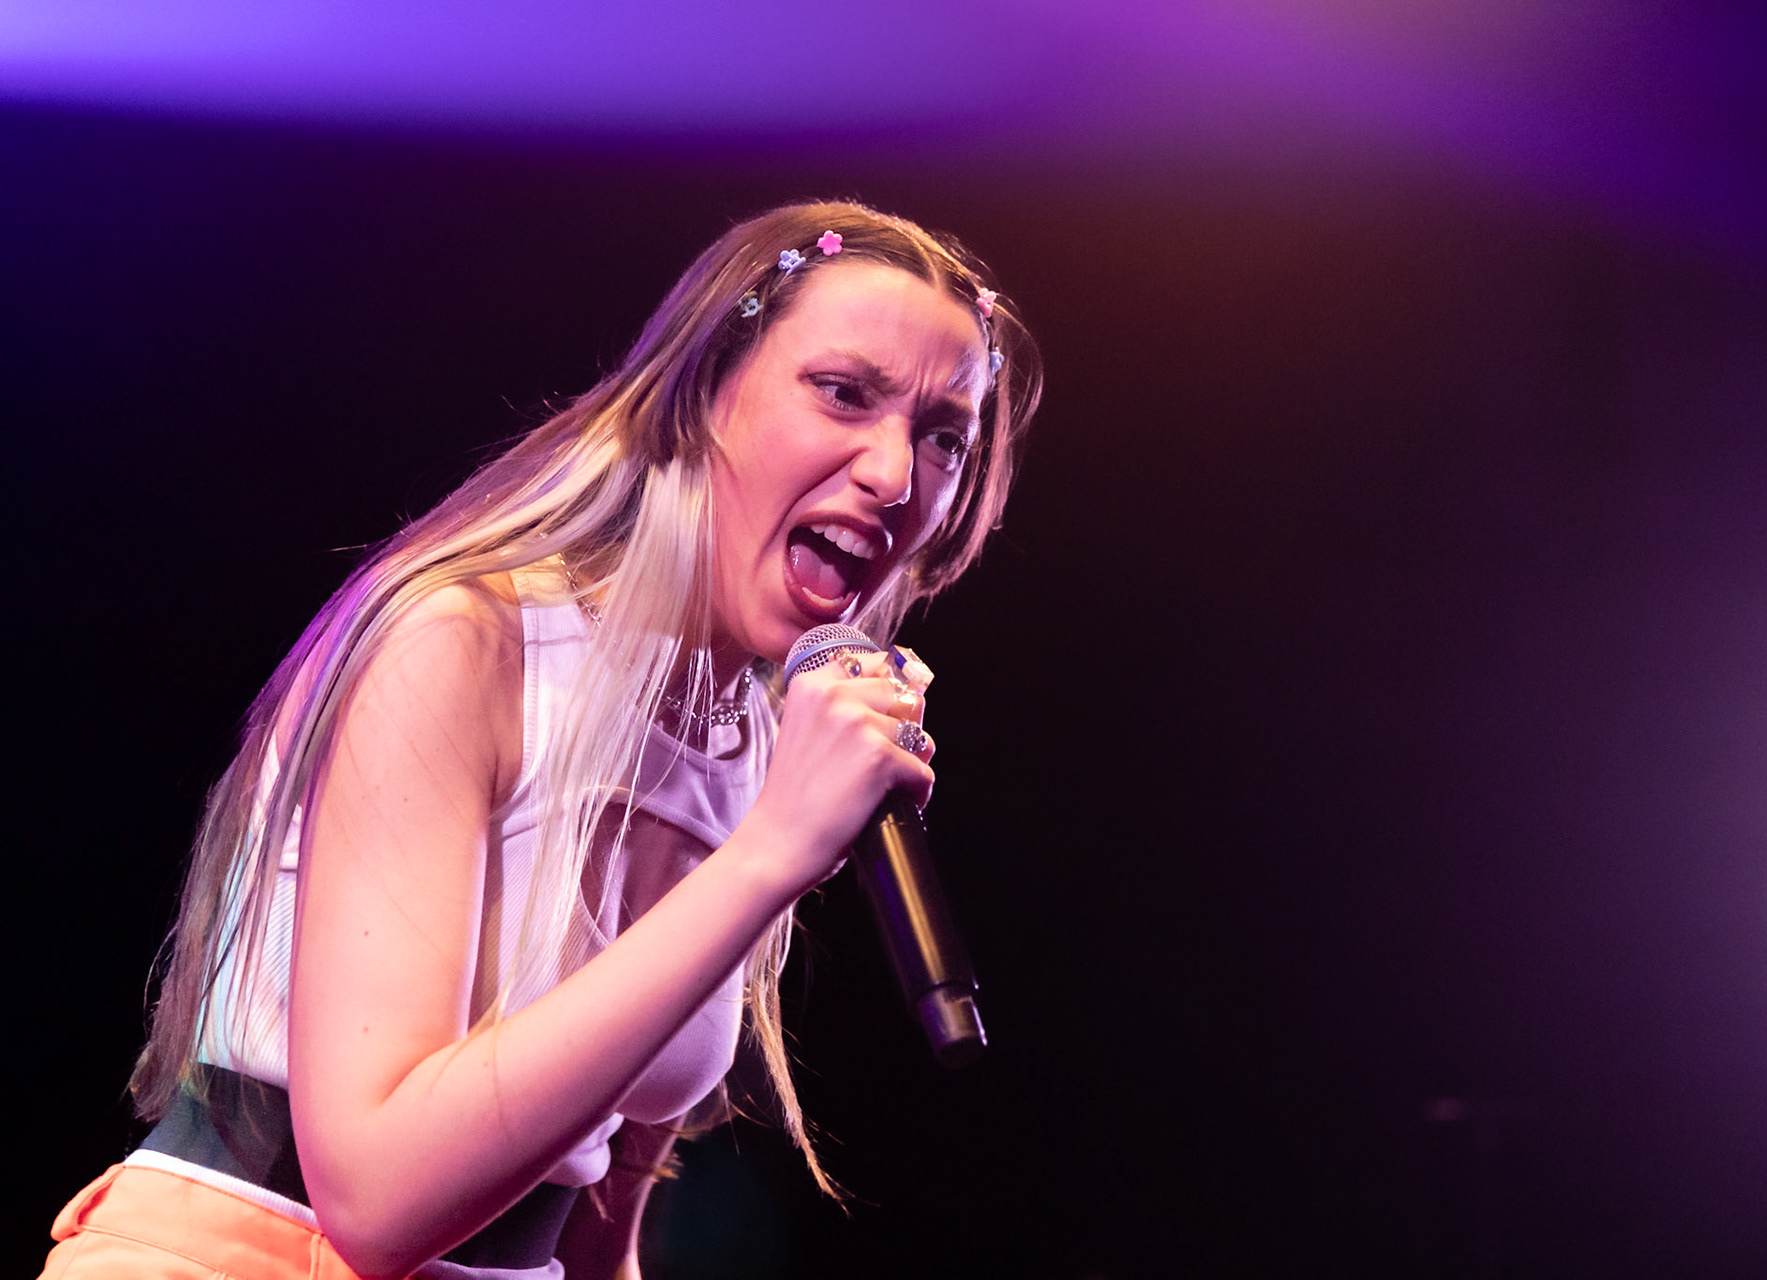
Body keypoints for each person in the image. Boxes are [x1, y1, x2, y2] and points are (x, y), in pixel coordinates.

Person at [39, 201, 1041, 1280]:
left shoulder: (759, 747)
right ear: (703, 392)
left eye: (945, 436)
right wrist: (768, 857)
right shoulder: (462, 640)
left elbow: (601, 1217)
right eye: (844, 393)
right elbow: (376, 1202)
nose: (896, 475)